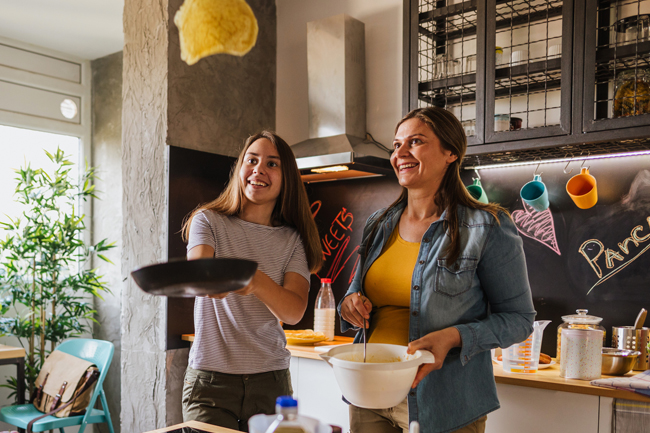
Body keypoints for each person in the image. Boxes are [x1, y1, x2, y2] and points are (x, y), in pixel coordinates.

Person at [339, 107, 536, 433]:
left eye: (415, 142)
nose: (400, 153)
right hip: (370, 393)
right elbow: (355, 293)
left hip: (445, 404)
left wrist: (454, 336)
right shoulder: (378, 225)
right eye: (396, 144)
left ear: (450, 153)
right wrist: (350, 304)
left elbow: (519, 320)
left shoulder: (487, 227)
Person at [181, 131, 323, 431]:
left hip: (270, 382)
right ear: (240, 168)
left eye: (272, 164)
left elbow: (293, 311)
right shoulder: (207, 221)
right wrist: (214, 282)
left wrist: (255, 280)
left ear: (287, 180)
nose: (259, 169)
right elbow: (198, 278)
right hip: (210, 382)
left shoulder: (292, 240)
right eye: (252, 160)